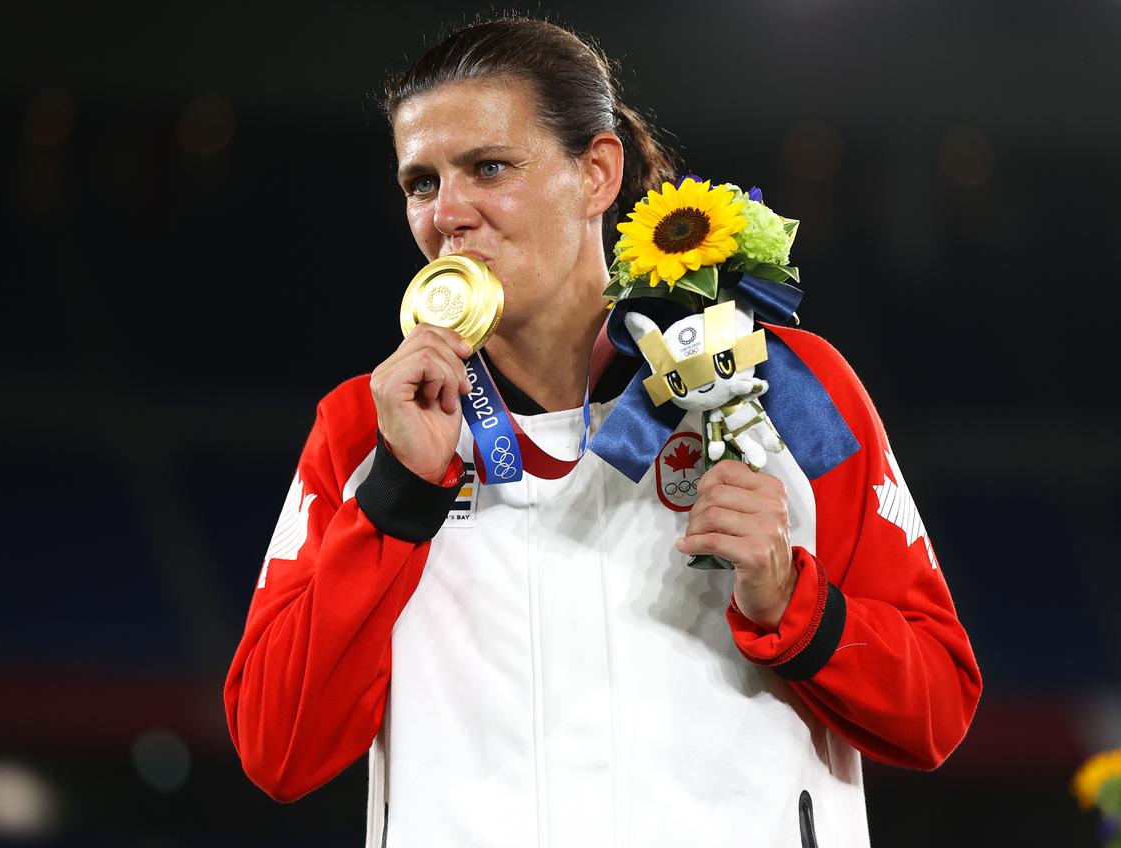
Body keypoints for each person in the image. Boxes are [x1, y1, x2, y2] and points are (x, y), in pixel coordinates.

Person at [224, 17, 981, 847]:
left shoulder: (783, 387)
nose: (448, 215)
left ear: (596, 172)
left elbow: (937, 710)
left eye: (489, 168)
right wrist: (396, 495)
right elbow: (277, 749)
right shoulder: (367, 429)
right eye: (420, 183)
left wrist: (791, 601)